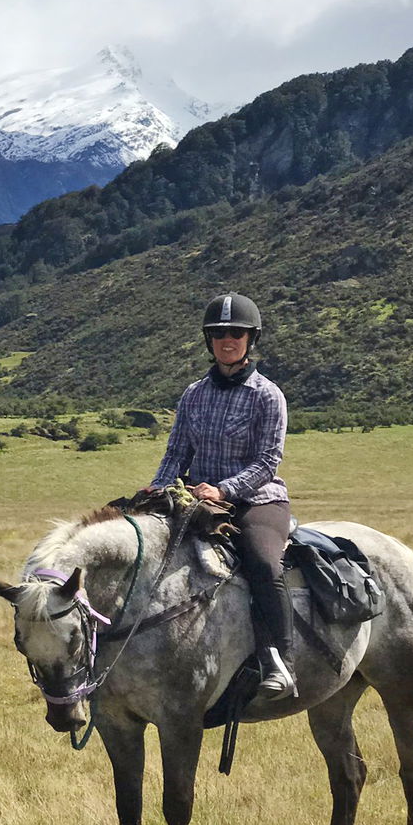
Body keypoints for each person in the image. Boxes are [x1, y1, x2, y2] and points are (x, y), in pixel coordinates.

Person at [151, 293, 294, 698]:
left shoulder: (268, 395)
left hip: (257, 501)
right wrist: (158, 488)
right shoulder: (193, 394)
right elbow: (177, 453)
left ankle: (280, 659)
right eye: (218, 333)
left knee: (264, 563)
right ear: (208, 341)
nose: (227, 339)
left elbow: (268, 461)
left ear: (251, 339)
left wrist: (224, 488)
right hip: (200, 501)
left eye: (236, 333)